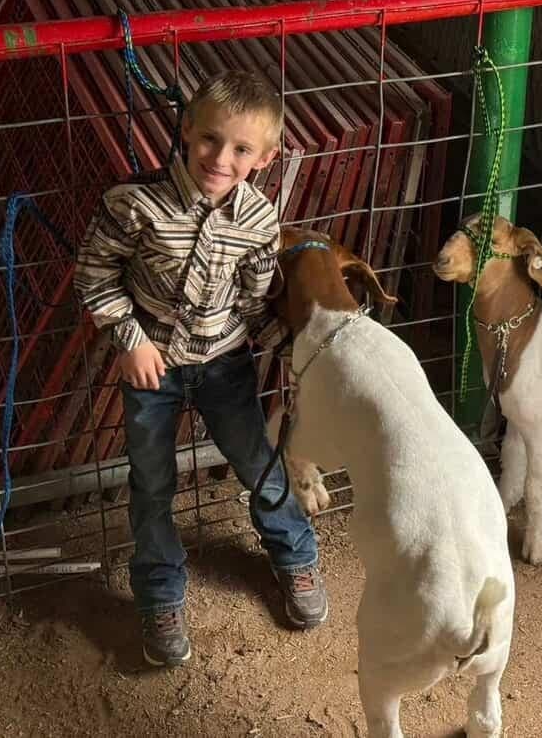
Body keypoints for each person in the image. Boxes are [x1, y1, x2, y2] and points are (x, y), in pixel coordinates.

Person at [74, 70, 326, 666]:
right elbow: (95, 275)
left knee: (257, 463)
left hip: (226, 363)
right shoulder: (133, 205)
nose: (220, 157)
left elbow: (253, 299)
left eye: (241, 148)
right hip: (151, 370)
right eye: (210, 138)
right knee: (152, 481)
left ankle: (296, 554)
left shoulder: (260, 223)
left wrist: (289, 348)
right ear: (186, 130)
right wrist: (130, 339)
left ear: (265, 158)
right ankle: (160, 592)